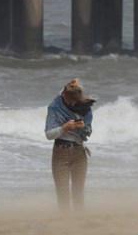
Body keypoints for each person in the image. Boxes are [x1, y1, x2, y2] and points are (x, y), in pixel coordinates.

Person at [45, 78, 96, 213]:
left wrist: (83, 127)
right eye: (70, 101)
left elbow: (89, 131)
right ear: (63, 96)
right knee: (63, 194)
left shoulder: (85, 107)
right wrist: (64, 128)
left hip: (79, 152)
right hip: (60, 152)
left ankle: (78, 221)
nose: (74, 104)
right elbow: (49, 134)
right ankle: (65, 221)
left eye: (76, 101)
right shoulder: (54, 107)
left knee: (78, 193)